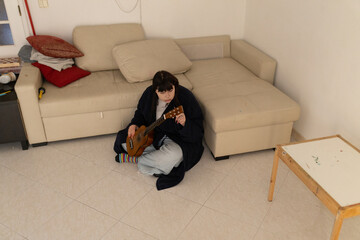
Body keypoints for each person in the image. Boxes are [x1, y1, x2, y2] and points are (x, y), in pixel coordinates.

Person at [114, 70, 204, 190]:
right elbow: (140, 112)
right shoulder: (148, 94)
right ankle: (152, 159)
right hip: (153, 135)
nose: (167, 95)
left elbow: (198, 131)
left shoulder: (186, 97)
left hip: (177, 140)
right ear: (155, 90)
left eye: (170, 90)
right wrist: (133, 124)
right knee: (125, 141)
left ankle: (136, 159)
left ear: (174, 86)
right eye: (162, 92)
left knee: (174, 156)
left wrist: (185, 124)